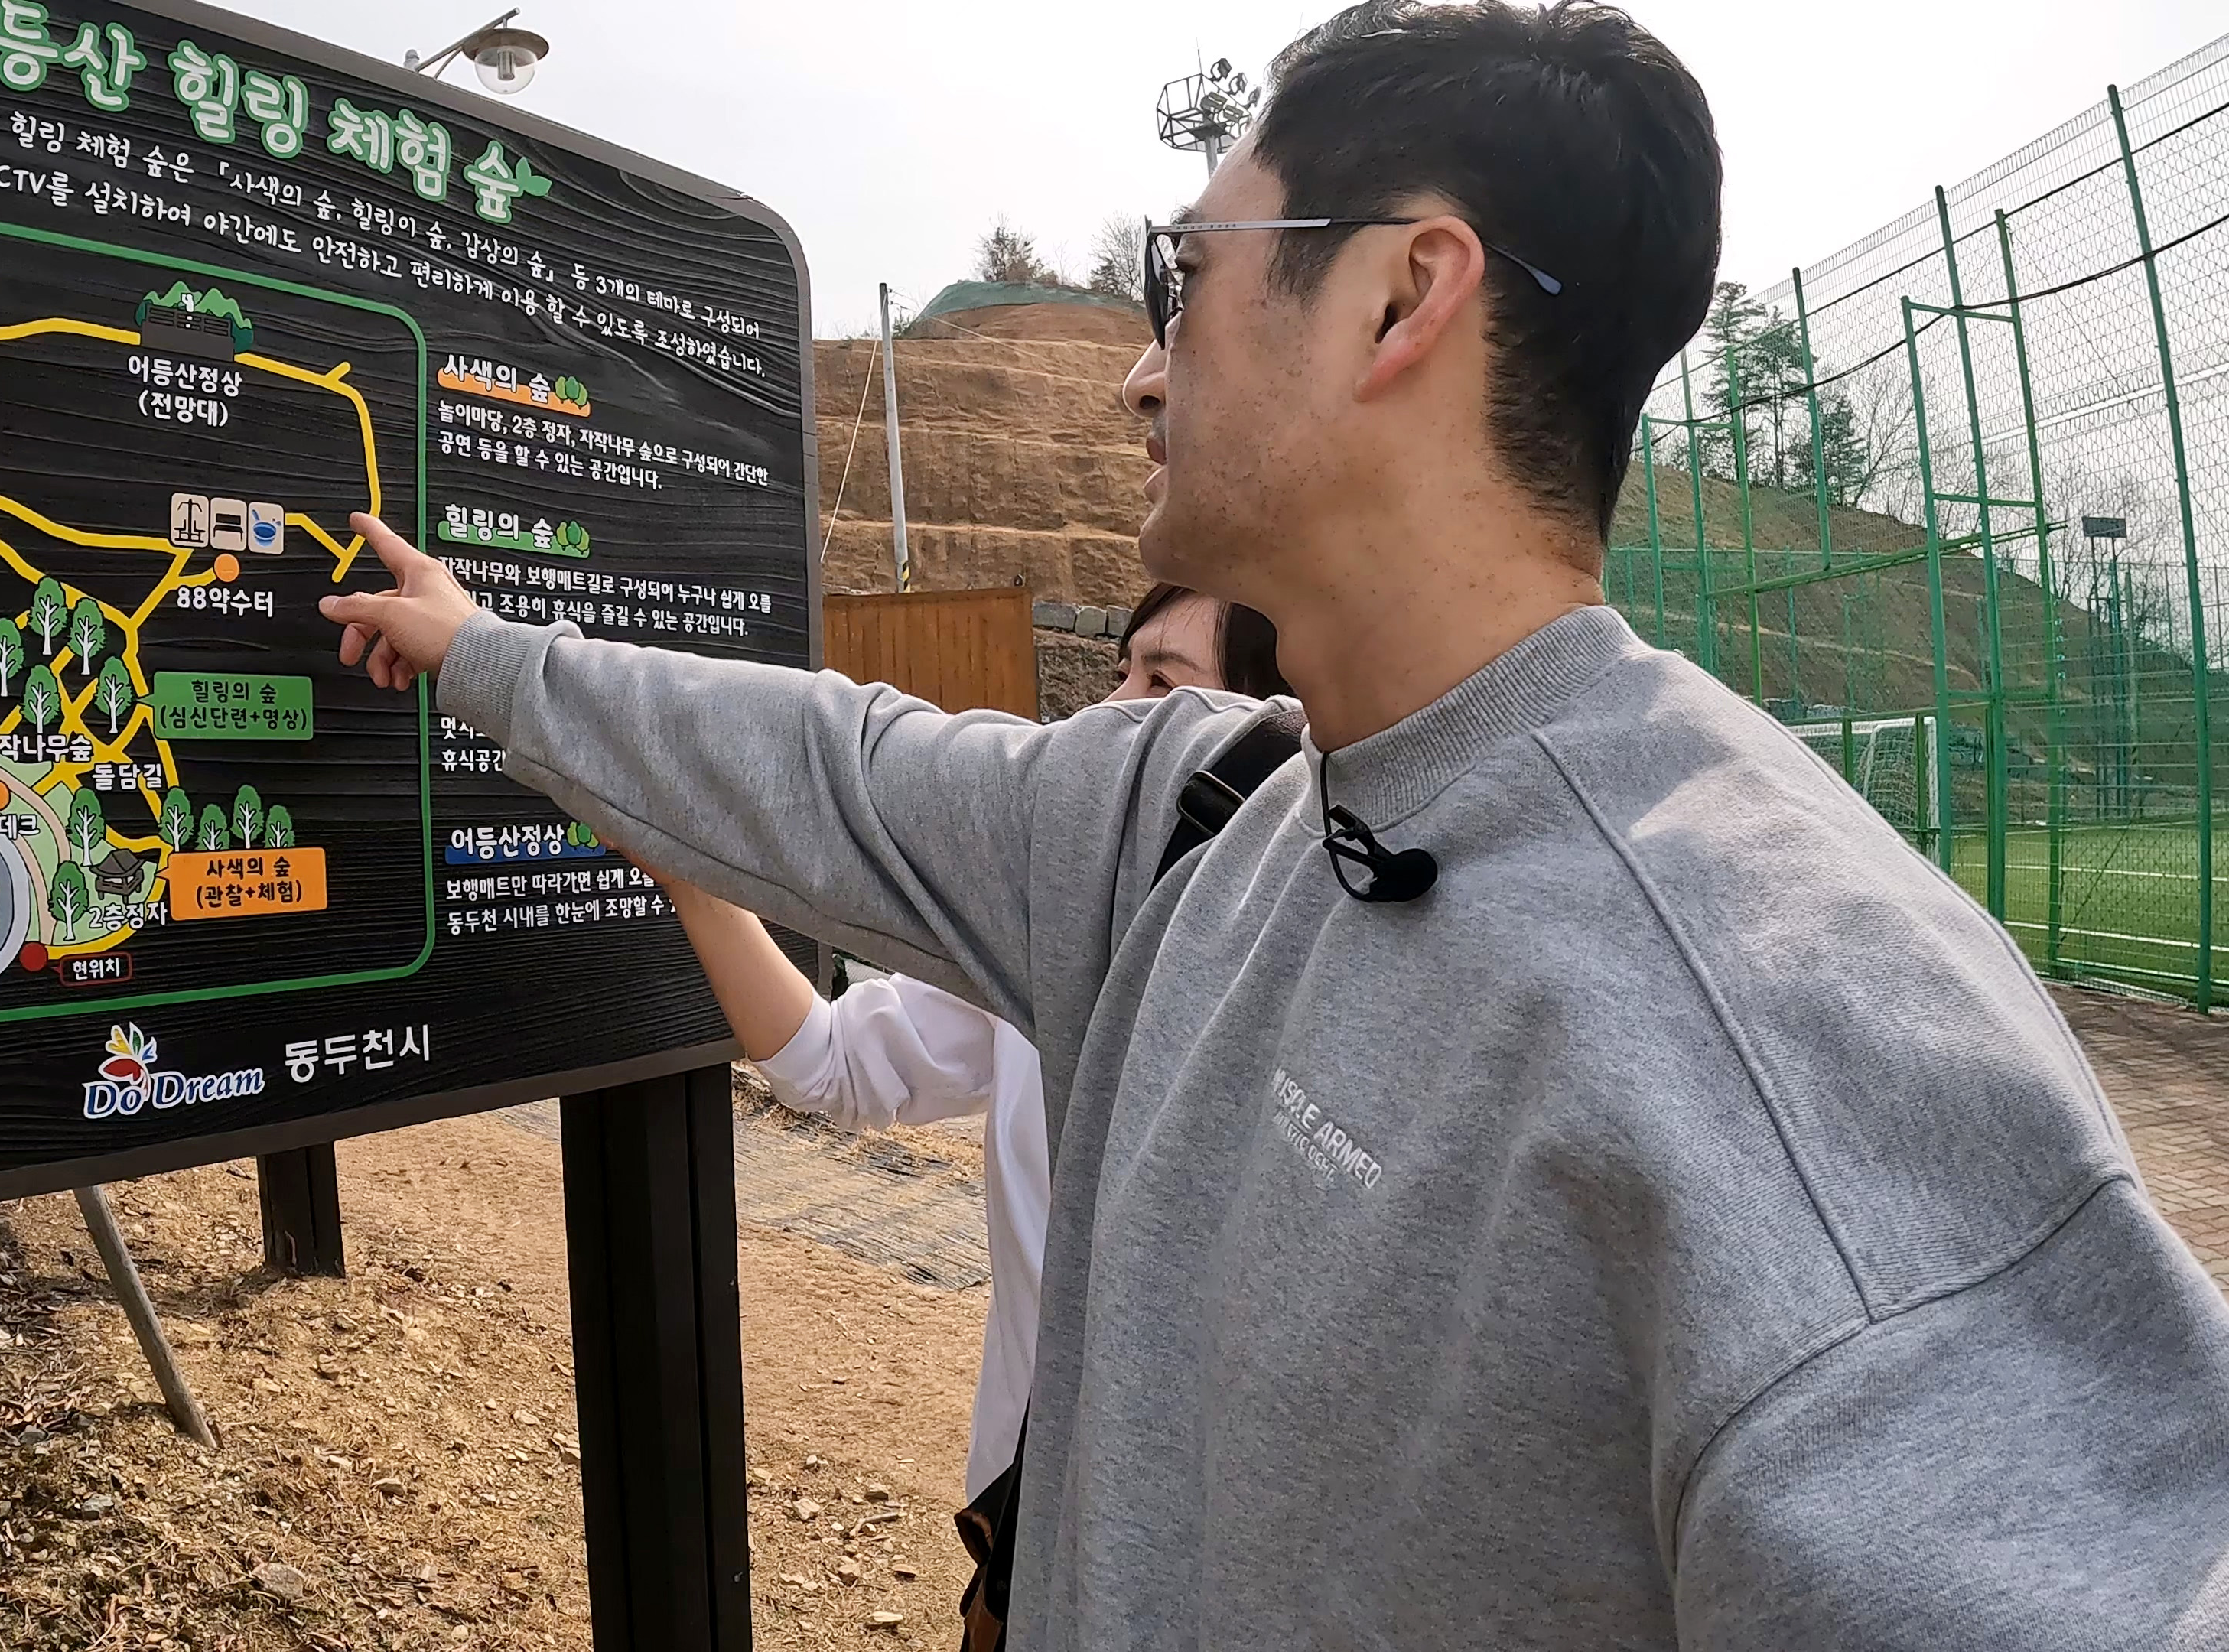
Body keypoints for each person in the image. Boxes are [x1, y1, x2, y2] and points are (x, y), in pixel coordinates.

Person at [327, 2, 2229, 1646]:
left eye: (1187, 279)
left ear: (1401, 295)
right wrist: (484, 655)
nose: (1143, 368)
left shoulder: (1793, 1035)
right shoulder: (1192, 807)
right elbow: (839, 765)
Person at [645, 583, 1290, 1513]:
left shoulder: (1318, 991)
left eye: (1161, 684)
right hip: (1027, 1510)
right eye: (1120, 673)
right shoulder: (1051, 930)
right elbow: (834, 1061)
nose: (1104, 718)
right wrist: (694, 885)